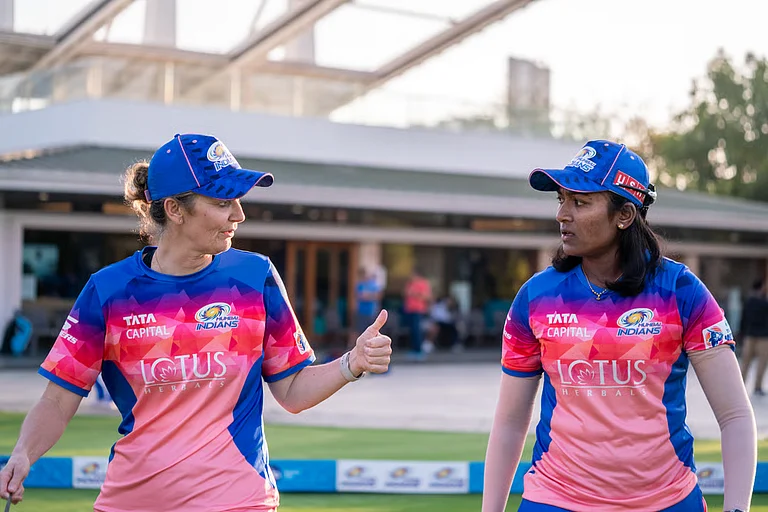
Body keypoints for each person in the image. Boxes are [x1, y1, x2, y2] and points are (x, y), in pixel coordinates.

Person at [0, 134, 392, 512]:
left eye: (238, 201)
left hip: (237, 497)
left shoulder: (254, 277)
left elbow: (291, 391)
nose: (239, 214)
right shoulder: (109, 290)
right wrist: (23, 453)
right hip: (133, 500)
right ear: (174, 209)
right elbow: (58, 398)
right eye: (224, 201)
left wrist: (351, 363)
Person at [482, 140, 756, 512]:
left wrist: (737, 509)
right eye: (561, 200)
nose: (563, 214)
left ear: (624, 215)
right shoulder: (535, 297)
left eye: (580, 202)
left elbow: (736, 416)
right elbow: (511, 423)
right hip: (555, 499)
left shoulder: (681, 291)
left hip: (667, 501)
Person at [739, 279, 768, 394]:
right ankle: (757, 386)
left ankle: (741, 385)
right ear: (761, 288)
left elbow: (743, 318)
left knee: (745, 362)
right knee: (762, 363)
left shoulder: (749, 302)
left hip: (749, 335)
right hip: (764, 337)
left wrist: (742, 332)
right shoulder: (765, 304)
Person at [403, 268, 432, 361]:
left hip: (418, 310)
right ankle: (413, 349)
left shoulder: (423, 283)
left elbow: (426, 296)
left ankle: (419, 350)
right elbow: (405, 293)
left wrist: (415, 294)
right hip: (409, 310)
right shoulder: (410, 284)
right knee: (412, 331)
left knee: (417, 330)